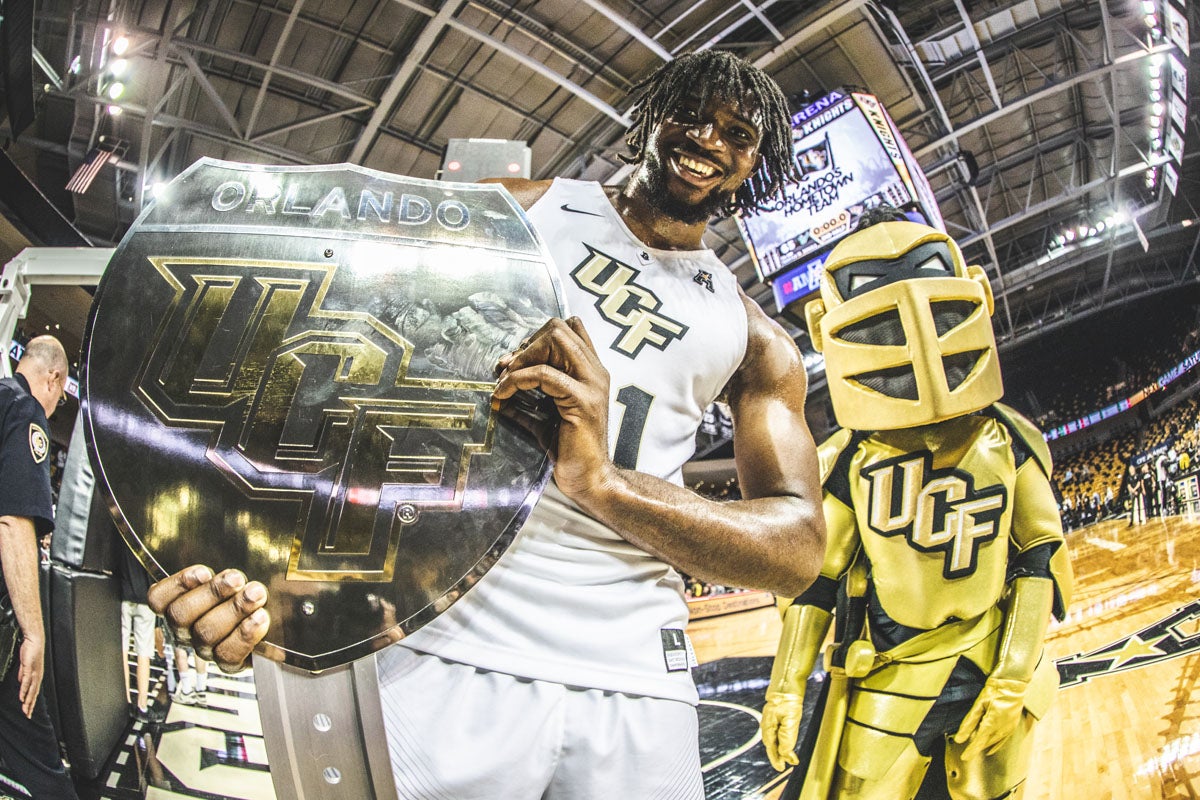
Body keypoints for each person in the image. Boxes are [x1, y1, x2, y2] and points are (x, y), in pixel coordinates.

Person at [148, 50, 826, 798]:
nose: (709, 140)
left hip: (635, 668)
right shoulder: (510, 209)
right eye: (693, 113)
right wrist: (247, 555)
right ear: (651, 113)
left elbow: (795, 551)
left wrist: (602, 485)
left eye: (738, 133)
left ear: (756, 161)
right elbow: (319, 360)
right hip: (449, 636)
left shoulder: (756, 338)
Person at [759, 211, 1073, 799]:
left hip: (988, 667)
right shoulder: (845, 460)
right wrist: (786, 686)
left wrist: (1010, 680)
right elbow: (818, 583)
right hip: (888, 678)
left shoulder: (1010, 439)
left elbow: (1039, 560)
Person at [0, 335, 80, 799]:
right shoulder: (25, 410)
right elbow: (12, 520)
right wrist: (34, 633)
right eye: (62, 391)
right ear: (53, 378)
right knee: (43, 768)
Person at [117, 535, 165, 723]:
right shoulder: (148, 538)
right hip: (145, 600)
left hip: (123, 596)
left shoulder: (122, 536)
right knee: (143, 652)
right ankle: (142, 706)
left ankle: (126, 701)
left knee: (122, 649)